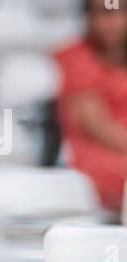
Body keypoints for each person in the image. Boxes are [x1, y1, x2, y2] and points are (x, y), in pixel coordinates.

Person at [55, 0, 127, 214]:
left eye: (121, 12)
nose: (113, 22)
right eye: (104, 13)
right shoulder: (77, 57)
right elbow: (96, 125)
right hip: (97, 153)